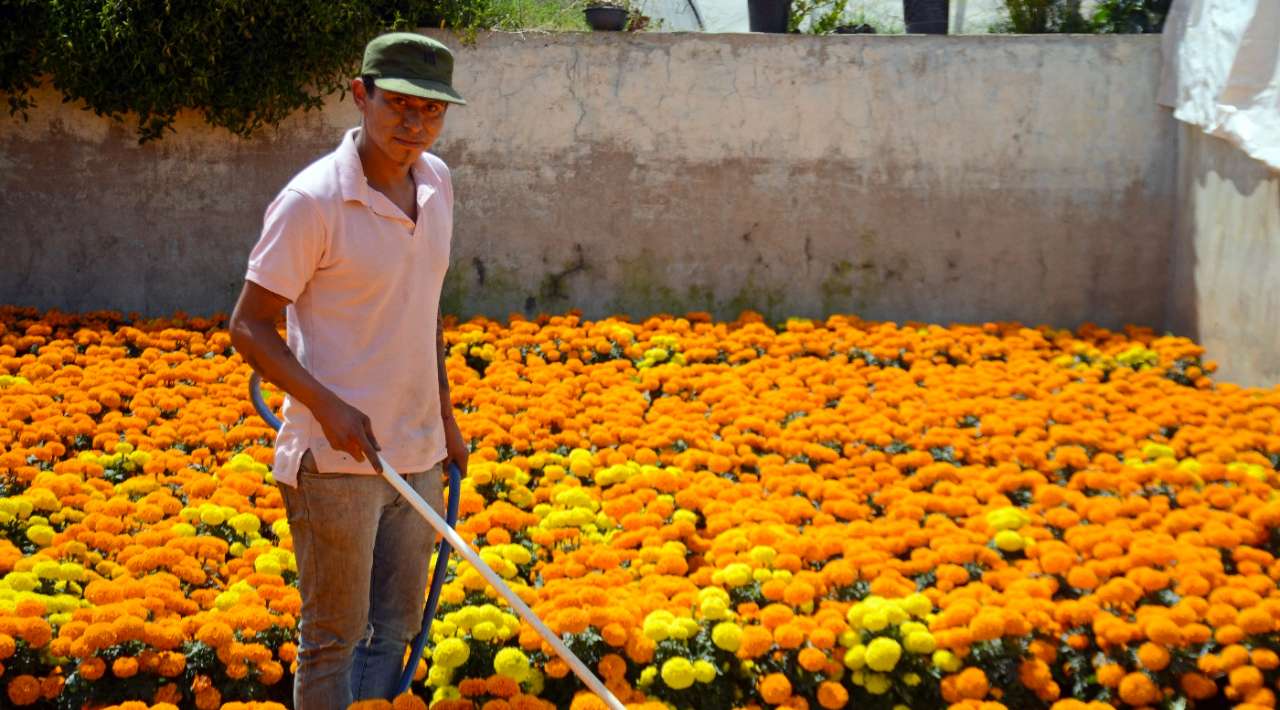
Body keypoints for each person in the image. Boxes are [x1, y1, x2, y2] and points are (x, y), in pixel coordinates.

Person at [228, 32, 470, 710]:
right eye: (397, 104)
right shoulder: (312, 202)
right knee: (334, 638)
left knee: (394, 630)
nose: (413, 124)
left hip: (418, 453)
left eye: (431, 110)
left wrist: (445, 421)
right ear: (360, 95)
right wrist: (327, 406)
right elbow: (247, 325)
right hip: (337, 466)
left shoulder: (438, 181)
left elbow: (426, 310)